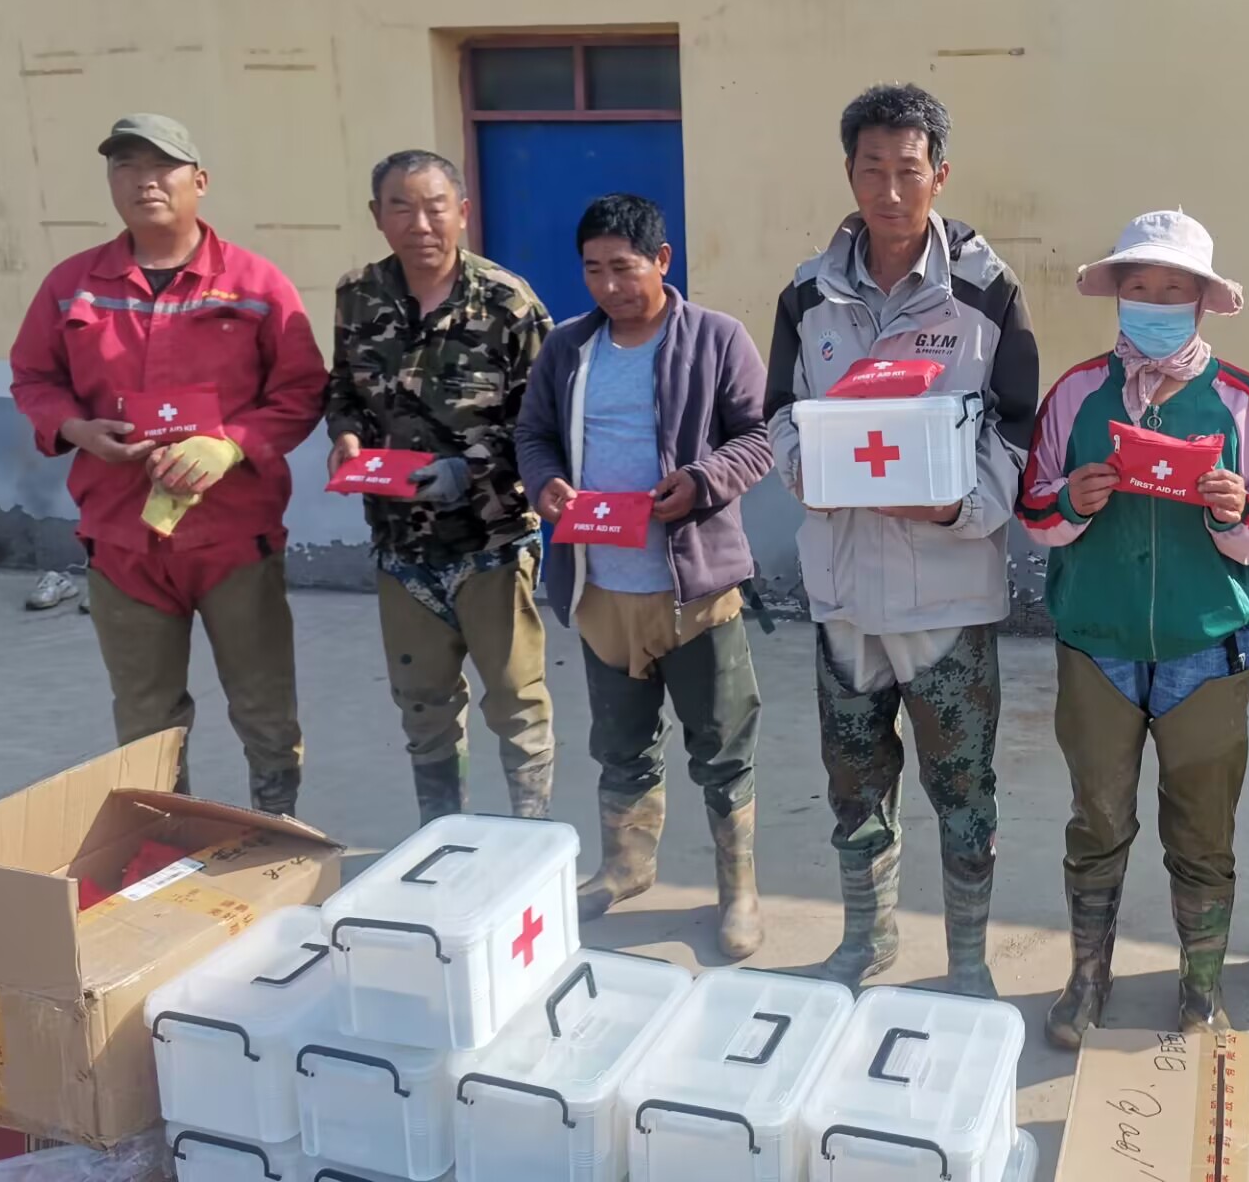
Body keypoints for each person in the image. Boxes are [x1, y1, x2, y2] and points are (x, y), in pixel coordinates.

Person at [764, 83, 1039, 998]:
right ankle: (867, 937)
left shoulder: (987, 293)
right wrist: (805, 470)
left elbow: (1017, 431)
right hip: (844, 592)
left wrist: (956, 507)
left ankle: (967, 960)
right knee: (854, 778)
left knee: (962, 787)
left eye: (908, 170)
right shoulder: (806, 294)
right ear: (848, 172)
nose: (889, 190)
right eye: (871, 168)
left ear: (940, 176)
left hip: (946, 593)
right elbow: (780, 411)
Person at [1018, 211, 1249, 1041]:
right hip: (1096, 645)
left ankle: (1200, 989)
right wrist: (1073, 501)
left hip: (1206, 649)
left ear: (1203, 301)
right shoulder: (1076, 393)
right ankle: (1087, 979)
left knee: (1203, 832)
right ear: (1117, 295)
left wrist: (1234, 511)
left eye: (1173, 289)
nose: (1154, 302)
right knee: (1097, 820)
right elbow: (1034, 510)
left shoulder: (1241, 398)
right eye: (1138, 286)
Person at [10, 114, 326, 814]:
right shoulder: (72, 285)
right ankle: (162, 846)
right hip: (122, 541)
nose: (144, 181)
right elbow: (33, 377)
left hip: (234, 539)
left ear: (200, 182)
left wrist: (231, 443)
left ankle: (274, 834)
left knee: (264, 707)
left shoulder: (255, 284)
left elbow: (303, 389)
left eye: (162, 166)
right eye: (126, 165)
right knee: (146, 718)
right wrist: (76, 429)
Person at [515, 194, 773, 959]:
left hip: (695, 592)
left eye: (623, 268)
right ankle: (626, 866)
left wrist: (702, 481)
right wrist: (545, 484)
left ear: (662, 260)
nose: (608, 286)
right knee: (621, 743)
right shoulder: (568, 348)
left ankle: (739, 889)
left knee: (721, 747)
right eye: (593, 270)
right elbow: (533, 433)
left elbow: (760, 435)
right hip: (602, 590)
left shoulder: (717, 338)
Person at [326, 150, 554, 824]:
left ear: (463, 211)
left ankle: (530, 843)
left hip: (491, 543)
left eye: (434, 207)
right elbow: (343, 387)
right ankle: (443, 838)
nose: (420, 224)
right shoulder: (359, 294)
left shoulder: (508, 303)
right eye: (401, 207)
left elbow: (546, 424)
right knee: (423, 707)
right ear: (378, 216)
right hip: (400, 546)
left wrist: (472, 469)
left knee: (515, 704)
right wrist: (345, 436)